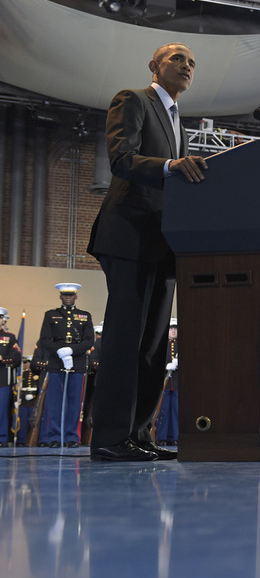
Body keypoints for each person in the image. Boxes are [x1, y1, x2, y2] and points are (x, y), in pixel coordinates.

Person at [86, 42, 208, 461]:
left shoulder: (179, 122)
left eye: (192, 63)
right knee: (125, 339)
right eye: (178, 59)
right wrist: (170, 166)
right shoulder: (133, 100)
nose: (186, 66)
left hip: (164, 245)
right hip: (129, 235)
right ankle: (109, 438)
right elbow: (121, 159)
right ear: (154, 66)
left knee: (153, 346)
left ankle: (138, 434)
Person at [37, 283, 95, 448]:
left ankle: (72, 437)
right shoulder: (51, 315)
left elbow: (89, 340)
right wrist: (61, 351)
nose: (68, 298)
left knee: (75, 402)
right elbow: (45, 339)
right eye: (65, 295)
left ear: (76, 296)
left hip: (77, 363)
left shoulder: (85, 316)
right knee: (54, 402)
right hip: (56, 362)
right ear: (60, 296)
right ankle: (53, 437)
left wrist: (71, 350)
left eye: (71, 295)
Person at [155, 319, 179, 446]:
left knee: (175, 411)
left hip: (176, 384)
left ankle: (175, 437)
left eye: (175, 329)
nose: (173, 331)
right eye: (171, 329)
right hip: (164, 383)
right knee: (163, 411)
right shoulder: (163, 345)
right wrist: (166, 366)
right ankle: (162, 436)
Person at [0, 308, 22, 446]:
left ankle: (1, 438)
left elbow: (16, 358)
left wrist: (2, 359)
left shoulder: (9, 337)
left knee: (1, 411)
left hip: (2, 379)